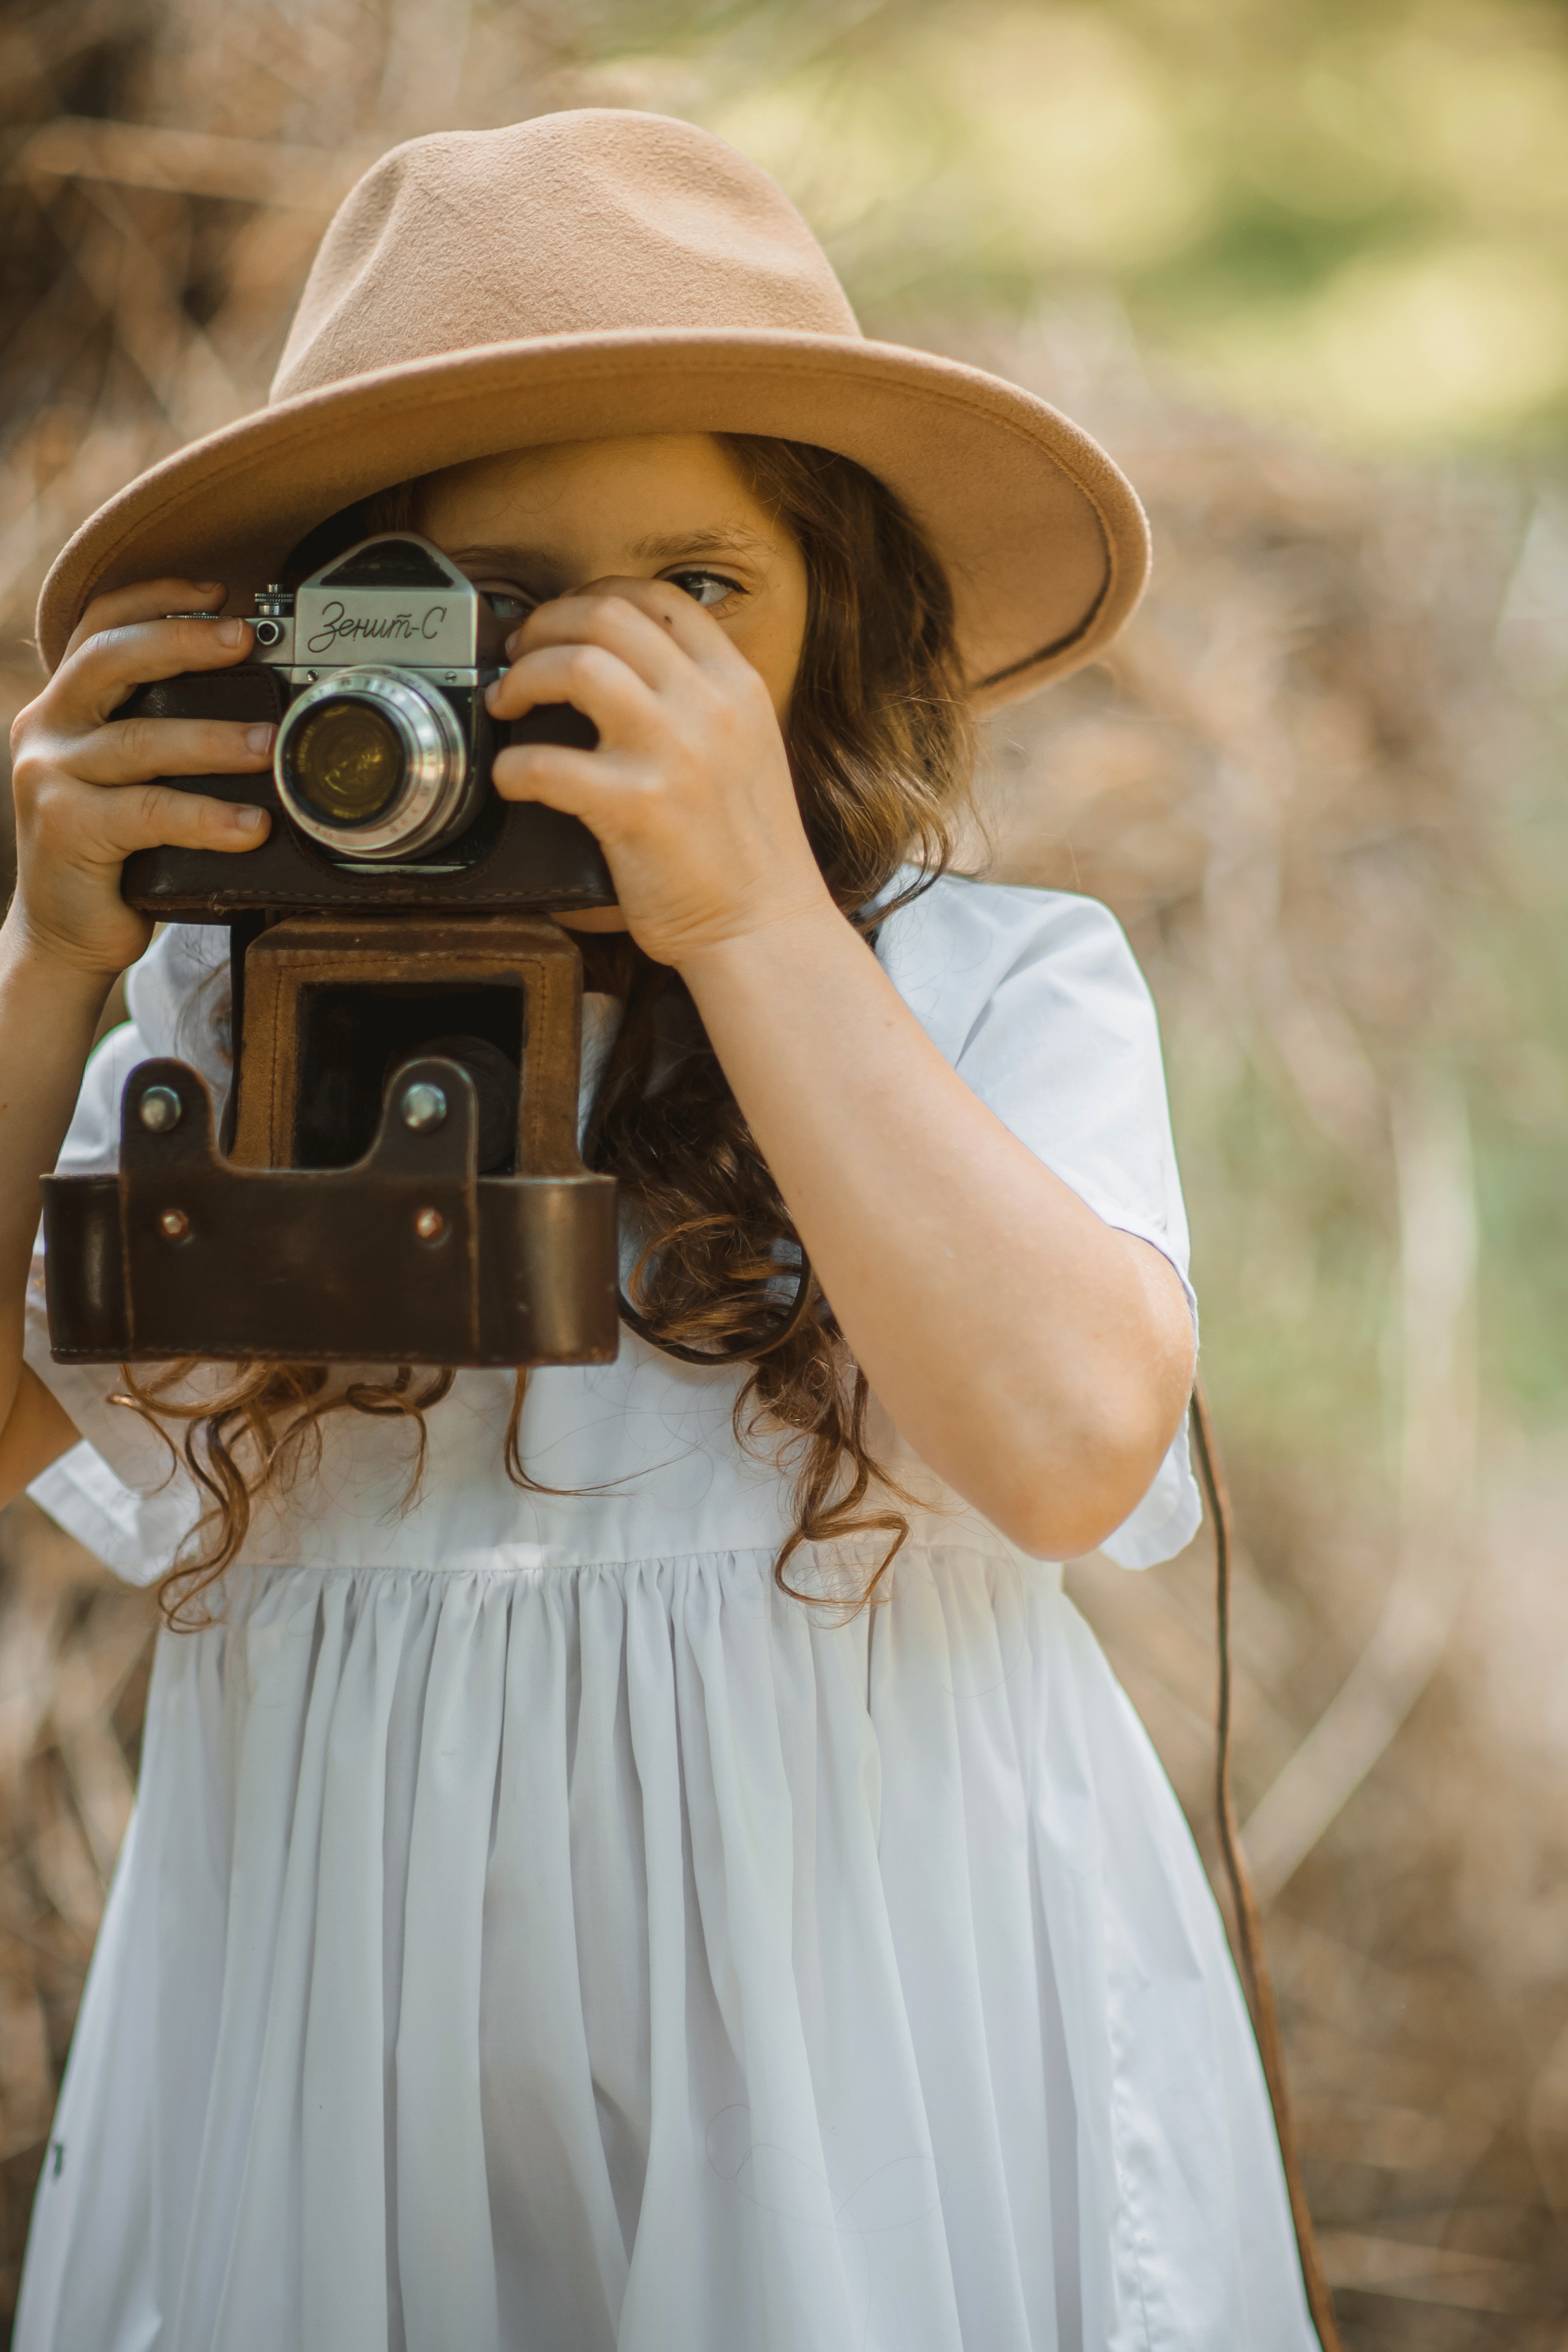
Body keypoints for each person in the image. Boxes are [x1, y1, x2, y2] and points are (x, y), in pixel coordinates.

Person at [1, 111, 1316, 2351]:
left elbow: (1075, 1447)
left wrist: (740, 917)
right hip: (348, 2059)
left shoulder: (978, 984)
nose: (605, 680)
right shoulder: (213, 1020)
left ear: (841, 631)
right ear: (330, 651)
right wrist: (51, 969)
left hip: (870, 2049)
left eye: (696, 596)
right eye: (503, 609)